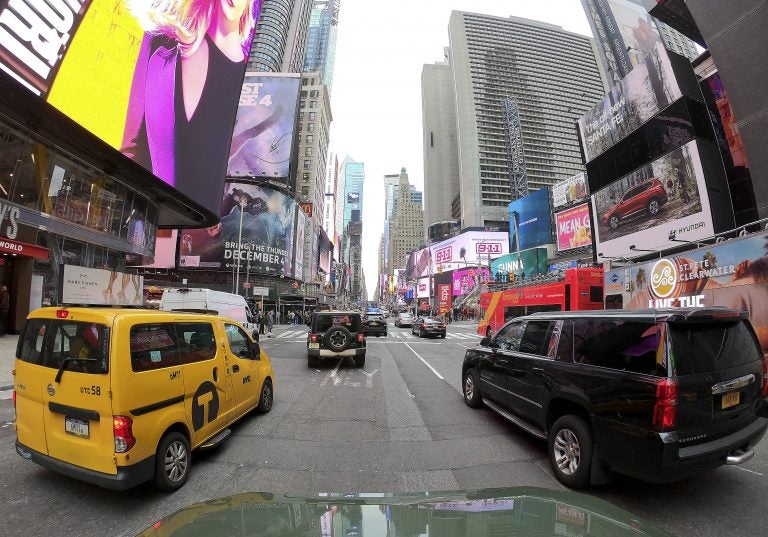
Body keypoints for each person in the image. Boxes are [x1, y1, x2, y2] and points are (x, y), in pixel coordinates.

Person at [121, 0, 258, 204]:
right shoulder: (161, 38)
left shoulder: (244, 80)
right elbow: (132, 143)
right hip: (142, 213)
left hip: (196, 226)